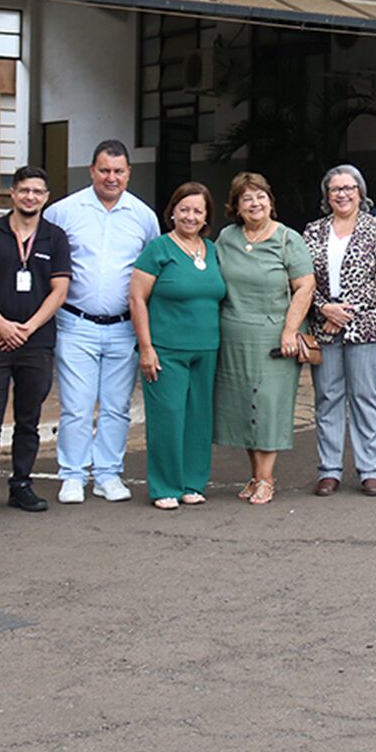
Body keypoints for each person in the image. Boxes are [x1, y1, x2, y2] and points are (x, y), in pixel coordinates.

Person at [45, 140, 161, 504]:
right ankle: (73, 475)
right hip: (76, 323)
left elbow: (152, 272)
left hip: (123, 327)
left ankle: (108, 474)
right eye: (104, 170)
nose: (112, 177)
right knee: (76, 406)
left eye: (119, 171)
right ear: (91, 171)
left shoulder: (143, 216)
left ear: (129, 173)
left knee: (116, 406)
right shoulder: (63, 212)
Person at [0, 165, 69, 523]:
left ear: (46, 197)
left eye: (37, 191)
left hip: (36, 344)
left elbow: (60, 290)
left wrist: (29, 327)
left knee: (28, 419)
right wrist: (2, 325)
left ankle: (21, 485)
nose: (30, 197)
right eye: (24, 190)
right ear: (13, 193)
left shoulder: (55, 237)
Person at [213, 172, 315, 507]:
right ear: (237, 207)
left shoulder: (287, 239)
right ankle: (255, 475)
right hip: (233, 332)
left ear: (270, 201)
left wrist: (290, 329)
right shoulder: (226, 238)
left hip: (274, 336)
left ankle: (267, 478)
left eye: (260, 197)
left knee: (269, 406)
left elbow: (305, 286)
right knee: (243, 407)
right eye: (246, 198)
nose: (255, 204)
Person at [129, 182, 224, 510]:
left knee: (198, 419)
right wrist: (146, 347)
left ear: (206, 215)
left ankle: (192, 483)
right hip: (166, 350)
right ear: (172, 212)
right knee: (168, 417)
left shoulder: (211, 250)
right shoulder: (158, 249)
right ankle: (165, 486)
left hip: (207, 349)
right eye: (184, 209)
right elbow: (137, 298)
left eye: (198, 210)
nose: (191, 216)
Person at [306, 165, 376, 495]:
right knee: (328, 397)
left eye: (348, 188)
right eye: (335, 189)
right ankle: (329, 470)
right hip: (324, 323)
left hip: (368, 325)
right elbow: (302, 278)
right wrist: (324, 308)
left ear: (360, 192)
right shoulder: (313, 231)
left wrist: (345, 311)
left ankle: (369, 469)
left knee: (365, 397)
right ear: (326, 195)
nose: (342, 194)